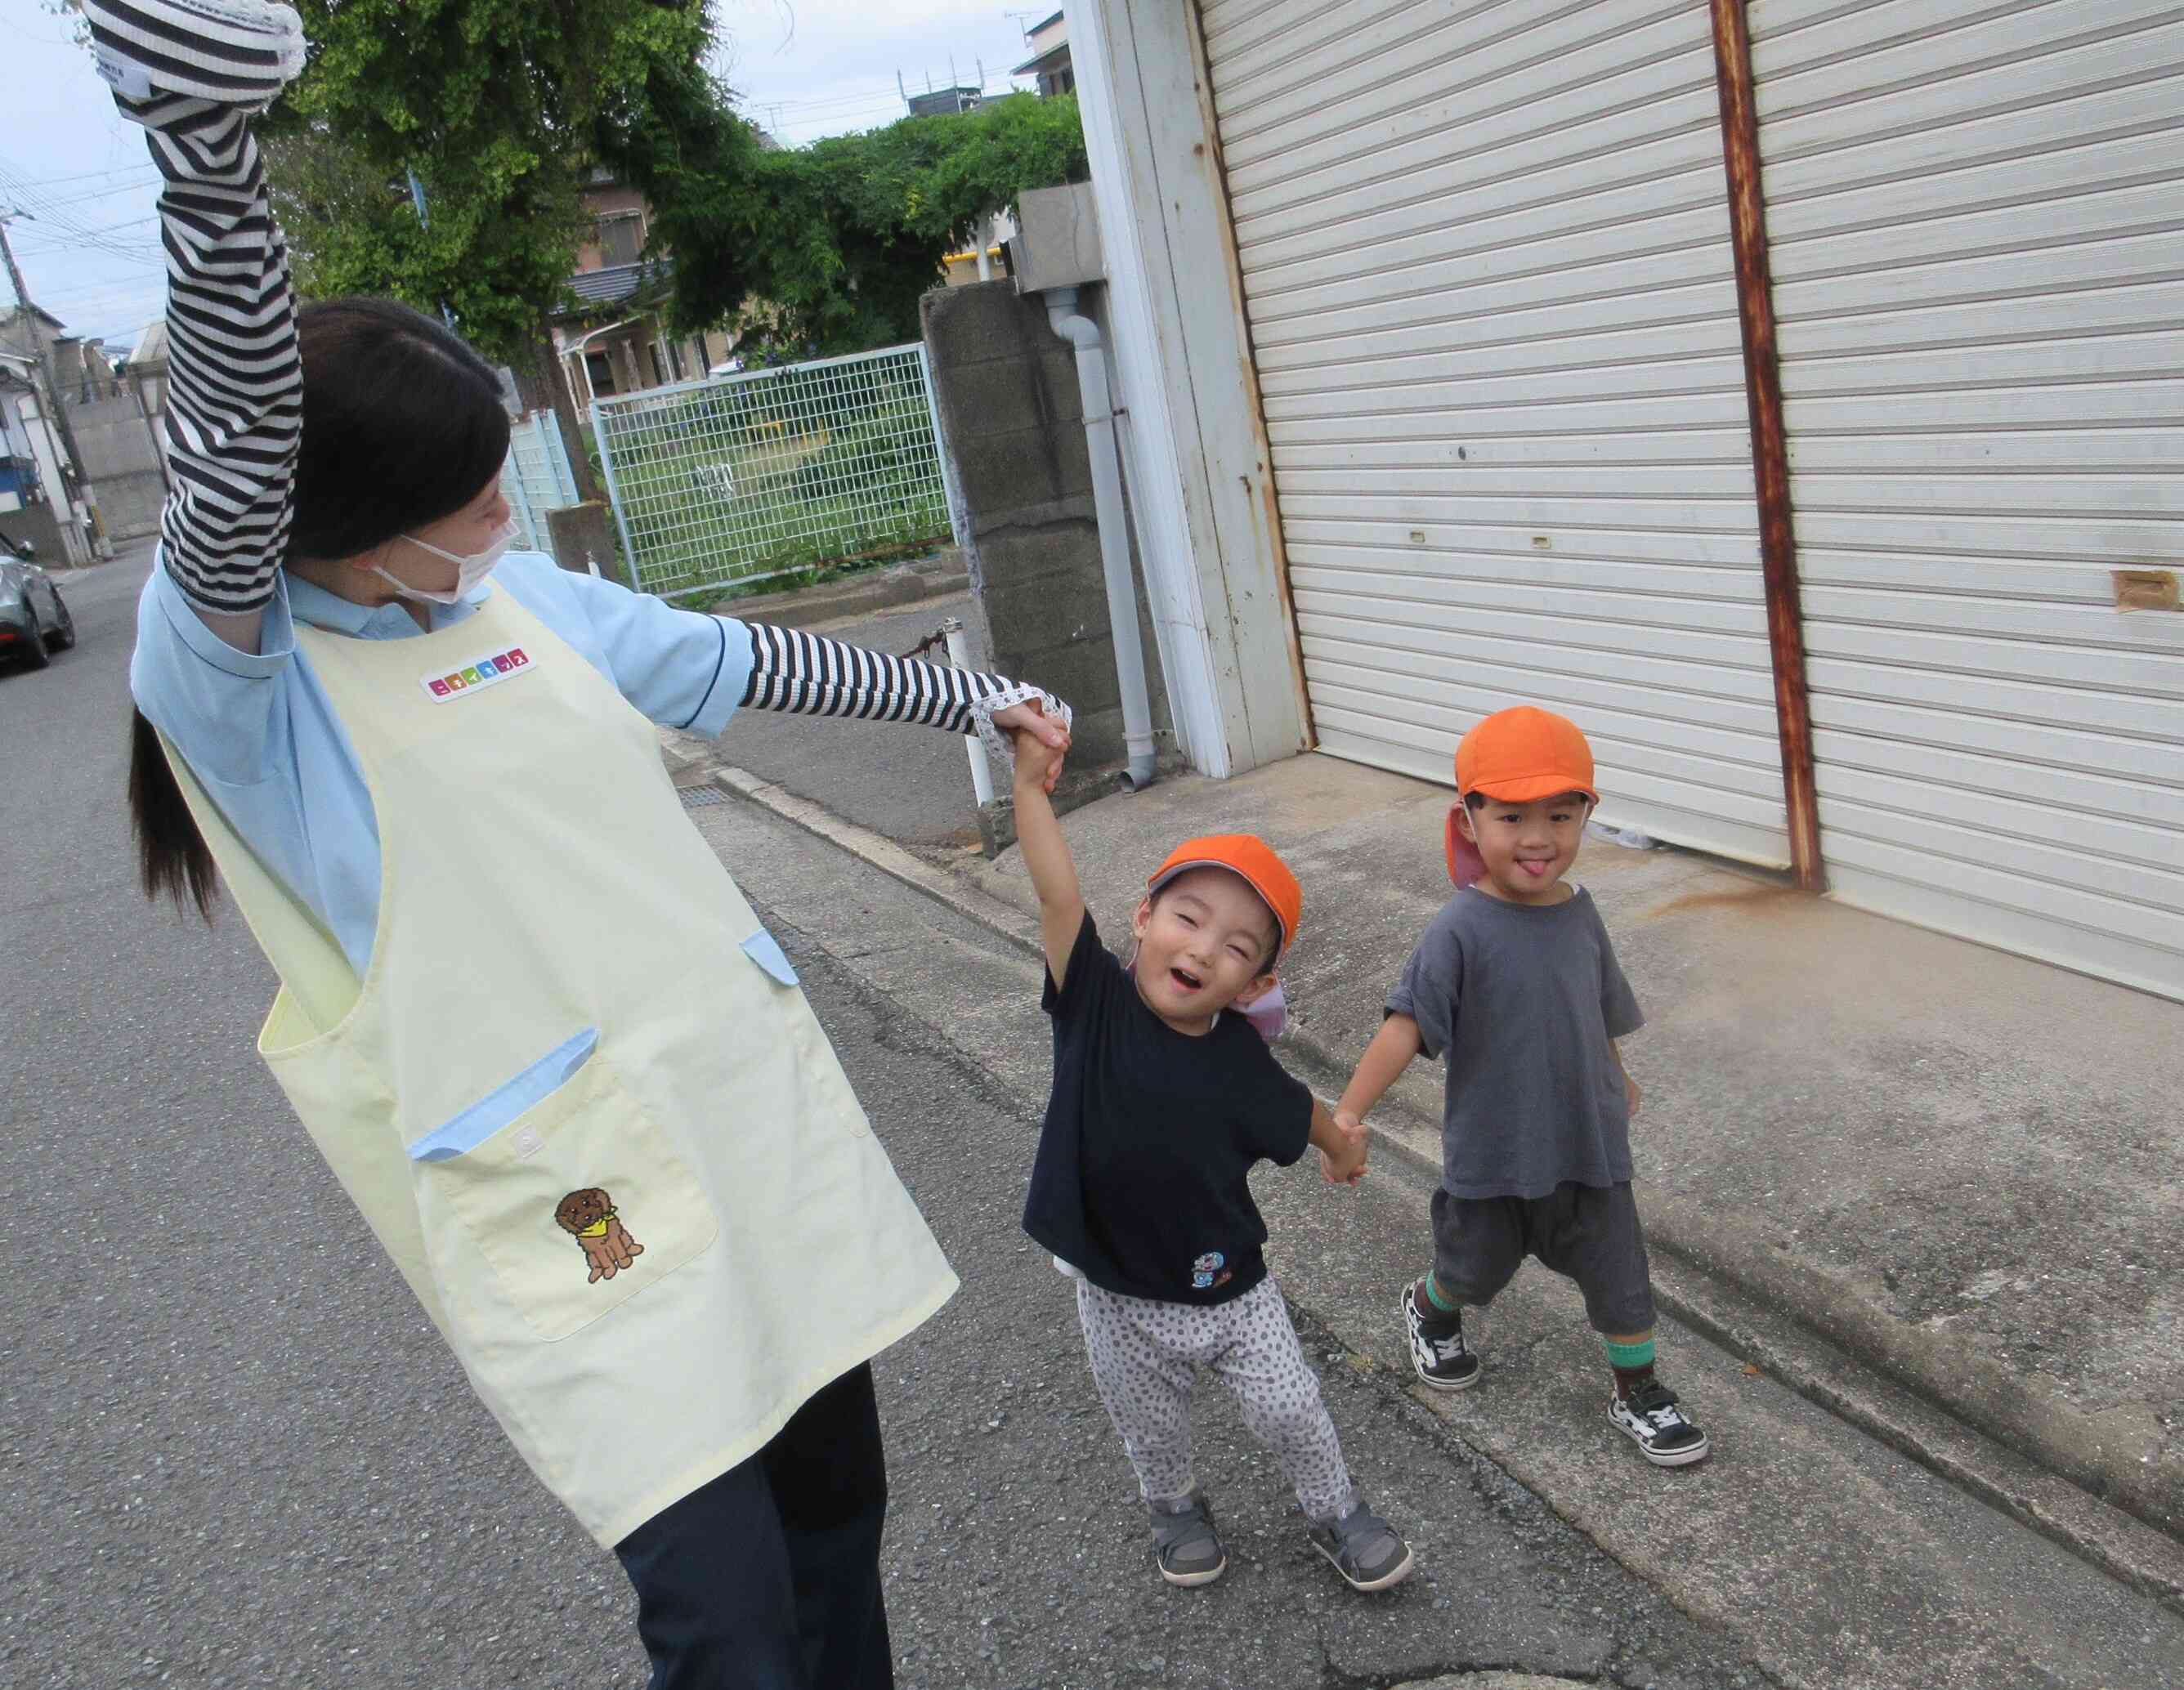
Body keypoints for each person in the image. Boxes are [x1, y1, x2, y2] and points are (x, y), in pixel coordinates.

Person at [87, 4, 1075, 1685]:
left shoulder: (512, 592)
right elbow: (245, 433)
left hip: (739, 1114)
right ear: (340, 529)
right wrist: (204, 143)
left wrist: (980, 700)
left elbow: (735, 656)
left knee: (840, 1523)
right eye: (467, 491)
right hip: (574, 1195)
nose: (501, 513)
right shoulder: (242, 687)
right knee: (726, 1624)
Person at [1005, 718, 1417, 1592]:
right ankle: (1174, 1505)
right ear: (1143, 917)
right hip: (1114, 1282)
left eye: (1236, 946)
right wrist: (1029, 793)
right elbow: (1055, 898)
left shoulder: (1238, 1057)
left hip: (1227, 1282)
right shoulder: (1094, 1001)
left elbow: (1293, 1108)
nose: (1201, 948)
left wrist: (1339, 1142)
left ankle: (1334, 1506)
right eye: (1187, 918)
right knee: (1147, 1417)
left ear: (1257, 983)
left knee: (1288, 1402)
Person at [1333, 706, 1709, 1469]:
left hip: (1589, 1146)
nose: (1539, 838)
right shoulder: (1458, 931)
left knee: (1621, 1276)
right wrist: (1345, 1113)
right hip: (1497, 1151)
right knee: (1472, 1270)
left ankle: (1638, 1391)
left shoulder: (1581, 914)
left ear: (1585, 817)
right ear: (1469, 822)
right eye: (1512, 816)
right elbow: (1407, 1025)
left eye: (1560, 816)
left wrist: (1615, 1072)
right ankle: (1432, 1310)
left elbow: (1593, 1006)